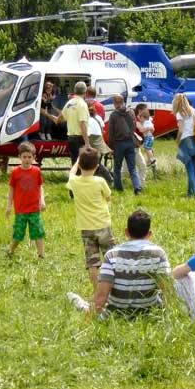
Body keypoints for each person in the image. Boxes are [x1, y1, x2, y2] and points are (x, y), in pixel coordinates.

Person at [67, 210, 170, 317]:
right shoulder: (159, 254)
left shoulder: (112, 255)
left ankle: (82, 305)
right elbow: (167, 290)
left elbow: (102, 297)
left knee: (82, 304)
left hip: (116, 313)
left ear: (126, 232)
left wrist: (90, 316)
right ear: (149, 234)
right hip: (149, 314)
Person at [66, 148, 115, 288]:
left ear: (80, 165)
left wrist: (76, 163)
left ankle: (96, 287)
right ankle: (113, 284)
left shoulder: (74, 182)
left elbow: (71, 174)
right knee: (111, 256)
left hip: (86, 228)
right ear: (97, 166)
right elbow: (108, 197)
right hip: (103, 225)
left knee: (92, 262)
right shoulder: (100, 181)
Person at [5, 141, 46, 258]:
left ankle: (41, 255)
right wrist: (9, 206)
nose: (27, 159)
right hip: (21, 210)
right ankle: (10, 251)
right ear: (19, 157)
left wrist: (42, 200)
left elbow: (40, 187)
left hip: (34, 209)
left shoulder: (36, 171)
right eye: (24, 157)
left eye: (29, 157)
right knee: (18, 234)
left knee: (38, 232)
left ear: (34, 158)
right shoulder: (15, 172)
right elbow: (11, 190)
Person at [41, 81, 90, 163]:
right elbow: (82, 124)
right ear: (85, 92)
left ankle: (74, 176)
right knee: (83, 162)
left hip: (71, 138)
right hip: (80, 138)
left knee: (74, 161)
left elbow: (60, 119)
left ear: (74, 91)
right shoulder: (82, 104)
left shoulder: (69, 103)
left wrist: (52, 117)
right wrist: (87, 142)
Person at [108, 94, 142, 195]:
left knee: (117, 168)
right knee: (132, 168)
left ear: (115, 103)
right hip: (131, 142)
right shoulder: (131, 112)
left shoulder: (113, 115)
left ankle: (119, 189)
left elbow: (111, 133)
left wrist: (110, 146)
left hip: (119, 144)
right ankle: (137, 187)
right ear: (123, 102)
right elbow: (134, 126)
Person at [173, 93, 195, 197]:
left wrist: (177, 140)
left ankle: (193, 192)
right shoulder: (193, 110)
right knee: (193, 167)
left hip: (186, 141)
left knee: (190, 168)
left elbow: (181, 130)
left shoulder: (179, 113)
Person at [134, 103, 157, 169]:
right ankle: (151, 160)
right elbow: (142, 129)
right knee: (147, 149)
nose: (147, 111)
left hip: (145, 138)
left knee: (147, 149)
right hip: (137, 143)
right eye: (146, 110)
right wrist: (150, 128)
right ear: (140, 111)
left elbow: (153, 129)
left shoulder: (146, 120)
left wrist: (150, 128)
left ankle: (151, 160)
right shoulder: (137, 120)